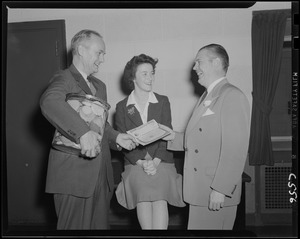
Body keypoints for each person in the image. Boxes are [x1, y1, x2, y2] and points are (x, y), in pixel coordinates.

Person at [40, 29, 138, 230]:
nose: (102, 59)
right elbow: (49, 101)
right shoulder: (64, 77)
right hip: (73, 177)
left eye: (104, 54)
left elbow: (99, 124)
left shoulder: (99, 85)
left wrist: (117, 137)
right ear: (81, 50)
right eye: (99, 52)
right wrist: (83, 133)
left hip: (101, 175)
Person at [161, 44, 250, 230]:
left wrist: (220, 189)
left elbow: (235, 149)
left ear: (216, 62)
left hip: (215, 190)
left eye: (199, 62)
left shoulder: (231, 95)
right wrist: (170, 136)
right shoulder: (207, 96)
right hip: (201, 189)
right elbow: (200, 139)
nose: (194, 68)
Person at [114, 54, 186, 230]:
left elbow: (166, 135)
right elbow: (124, 142)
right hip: (135, 162)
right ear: (133, 78)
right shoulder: (122, 107)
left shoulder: (162, 101)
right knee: (143, 196)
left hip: (161, 160)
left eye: (152, 73)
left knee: (160, 197)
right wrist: (141, 162)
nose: (150, 78)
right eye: (144, 74)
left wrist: (154, 162)